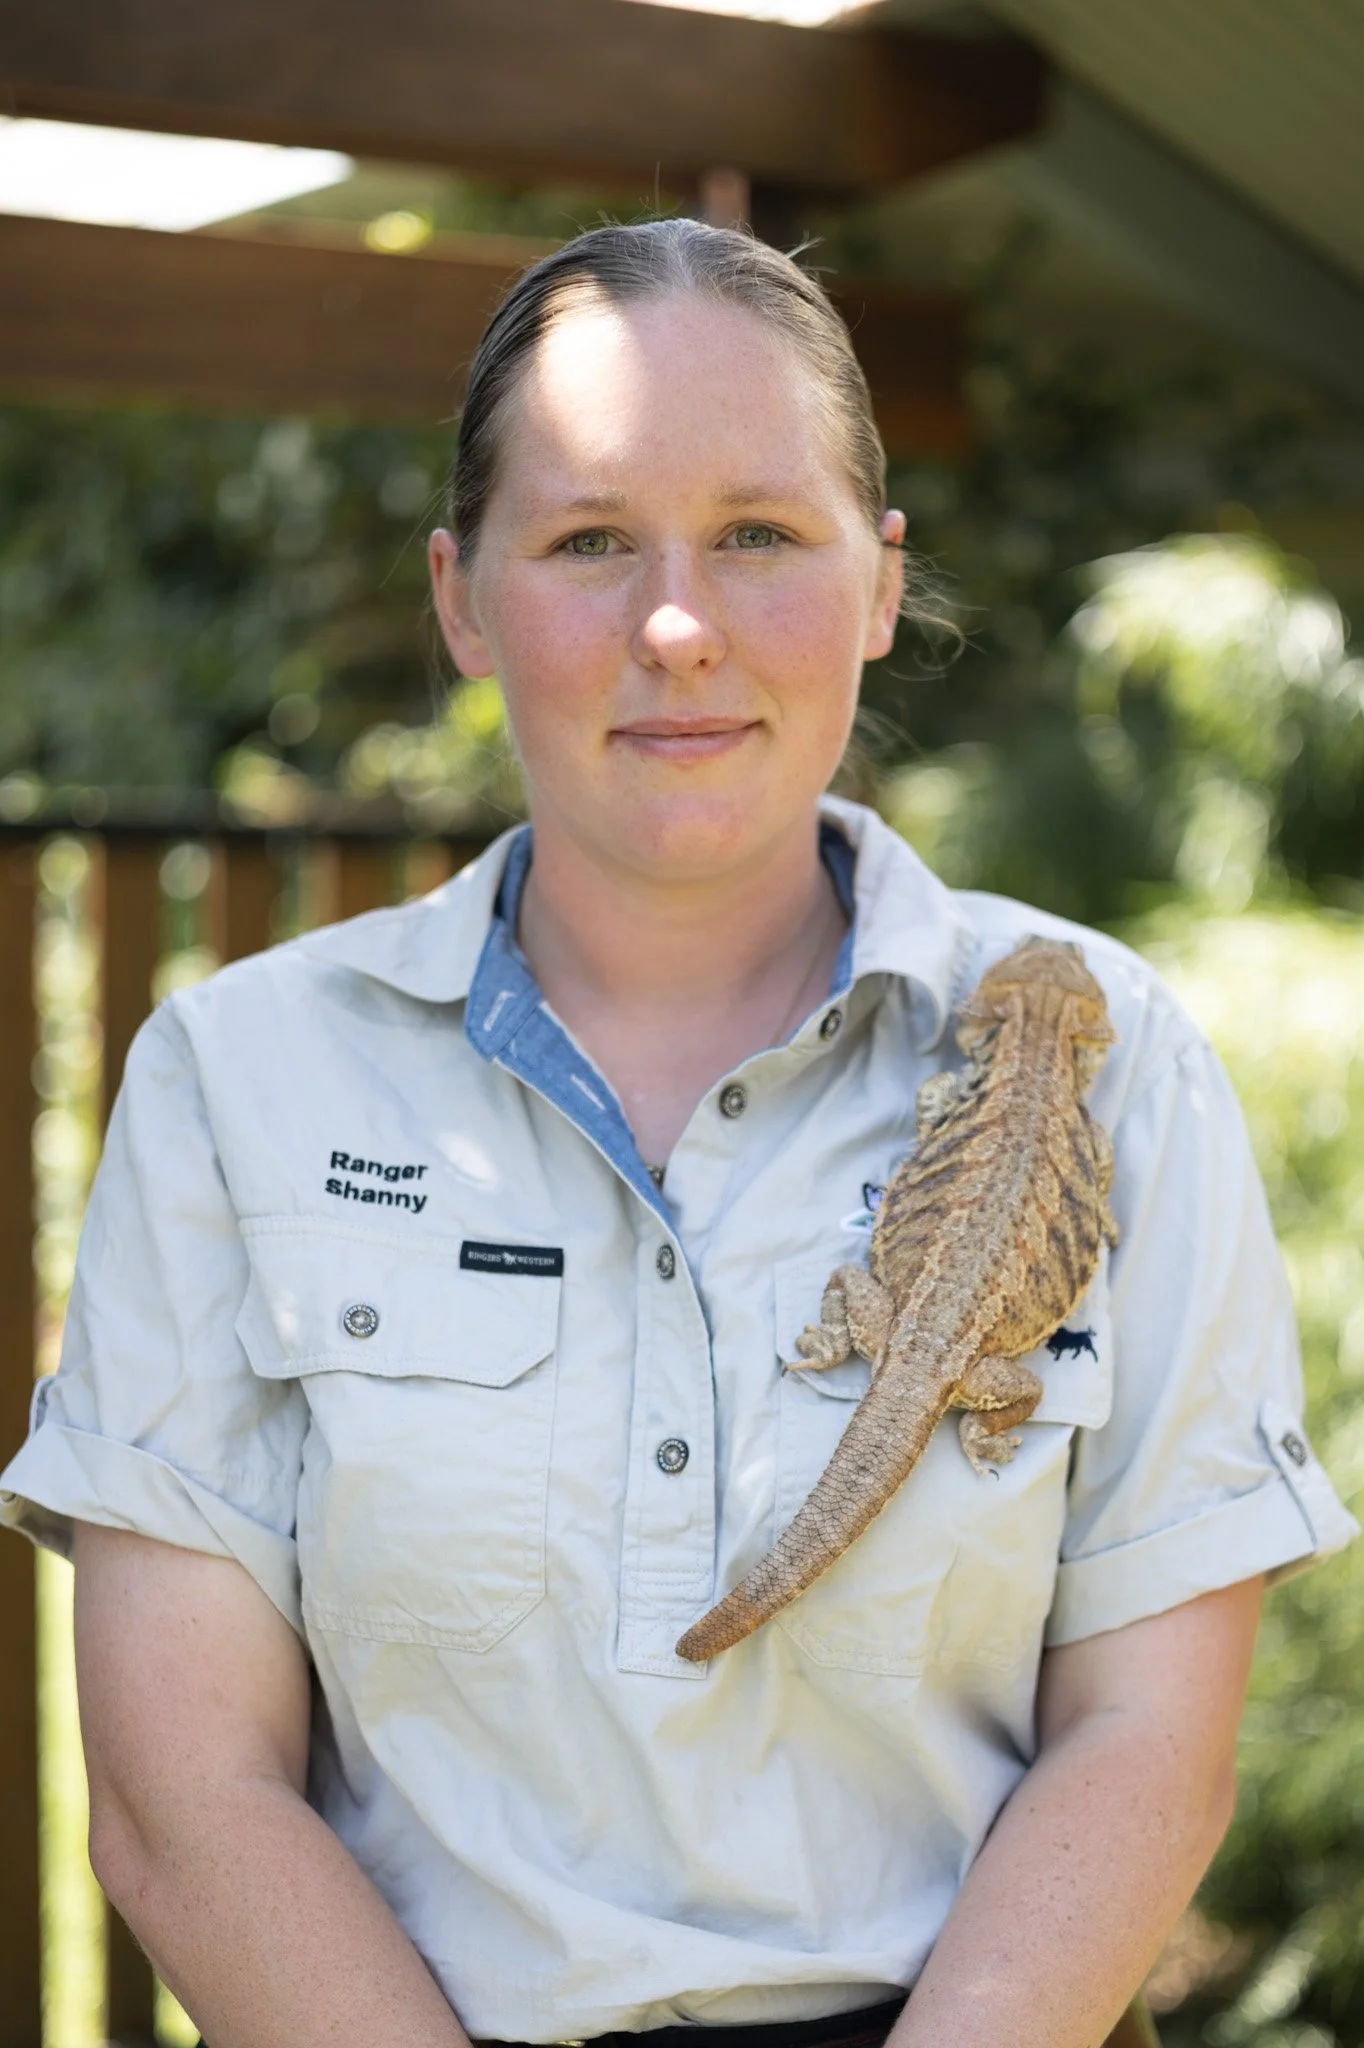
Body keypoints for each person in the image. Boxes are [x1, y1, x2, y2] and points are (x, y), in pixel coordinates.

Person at [1, 219, 1355, 2048]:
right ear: (463, 596)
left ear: (879, 586)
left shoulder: (1115, 1056)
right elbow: (183, 1799)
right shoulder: (238, 1079)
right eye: (584, 540)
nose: (676, 625)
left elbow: (1149, 1742)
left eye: (759, 535)